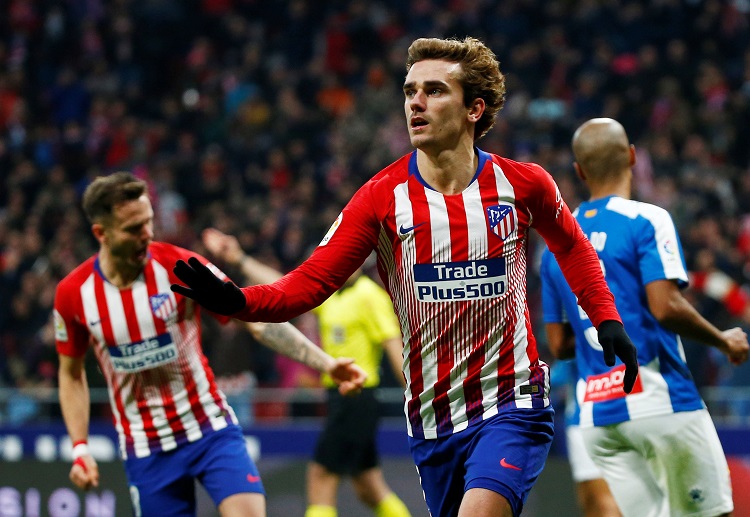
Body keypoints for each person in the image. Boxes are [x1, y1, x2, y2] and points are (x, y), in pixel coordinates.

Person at [172, 37, 639, 517]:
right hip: (433, 418)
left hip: (512, 401)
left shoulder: (524, 184)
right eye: (410, 90)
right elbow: (309, 284)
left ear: (474, 108)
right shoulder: (380, 198)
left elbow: (572, 246)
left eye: (434, 91)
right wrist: (239, 302)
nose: (416, 102)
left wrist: (607, 319)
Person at [54, 172, 366, 517]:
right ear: (101, 233)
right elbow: (70, 374)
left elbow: (255, 322)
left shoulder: (179, 266)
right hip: (146, 447)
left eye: (149, 222)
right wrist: (79, 447)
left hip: (209, 428)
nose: (148, 234)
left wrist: (326, 364)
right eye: (134, 228)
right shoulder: (74, 295)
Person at [540, 117, 750, 517]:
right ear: (633, 157)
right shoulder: (646, 219)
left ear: (579, 171)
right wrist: (724, 340)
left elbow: (558, 344)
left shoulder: (556, 246)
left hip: (597, 417)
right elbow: (665, 306)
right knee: (713, 513)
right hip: (658, 400)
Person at [201, 228, 412, 517]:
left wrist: (417, 396)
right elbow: (285, 286)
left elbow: (393, 346)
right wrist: (240, 260)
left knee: (320, 478)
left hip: (357, 398)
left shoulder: (370, 297)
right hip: (341, 398)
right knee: (369, 486)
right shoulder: (334, 297)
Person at [549, 359, 621, 517]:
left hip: (587, 416)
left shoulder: (579, 339)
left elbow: (555, 373)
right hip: (632, 410)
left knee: (599, 500)